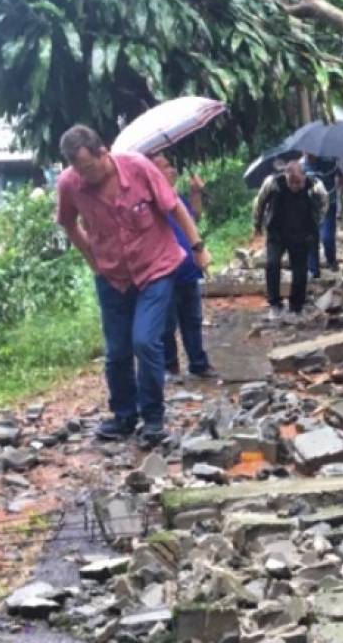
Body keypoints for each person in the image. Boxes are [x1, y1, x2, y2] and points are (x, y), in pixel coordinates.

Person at [55, 125, 211, 445]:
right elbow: (68, 223)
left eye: (88, 167)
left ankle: (153, 418)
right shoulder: (70, 184)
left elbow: (174, 207)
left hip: (155, 267)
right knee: (117, 352)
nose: (84, 176)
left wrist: (198, 248)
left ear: (103, 152)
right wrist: (92, 259)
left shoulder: (138, 168)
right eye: (77, 169)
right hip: (112, 275)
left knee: (144, 340)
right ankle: (124, 416)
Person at [148, 152, 217, 380]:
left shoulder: (176, 199)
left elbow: (193, 216)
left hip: (187, 272)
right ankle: (170, 366)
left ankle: (198, 363)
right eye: (165, 167)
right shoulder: (150, 202)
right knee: (167, 325)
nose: (172, 171)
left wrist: (195, 192)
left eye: (170, 165)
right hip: (165, 274)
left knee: (193, 320)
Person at [252, 160, 327, 321]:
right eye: (291, 182)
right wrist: (257, 224)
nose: (294, 186)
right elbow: (259, 203)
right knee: (272, 264)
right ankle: (275, 304)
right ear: (285, 176)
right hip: (277, 231)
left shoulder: (314, 187)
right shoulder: (273, 183)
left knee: (300, 270)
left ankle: (296, 306)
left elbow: (324, 205)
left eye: (298, 182)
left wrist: (316, 225)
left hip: (302, 232)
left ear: (304, 176)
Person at [303, 153, 343, 278]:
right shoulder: (301, 166)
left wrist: (341, 183)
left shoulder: (329, 162)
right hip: (310, 207)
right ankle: (313, 270)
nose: (308, 155)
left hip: (328, 205)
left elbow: (342, 177)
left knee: (327, 238)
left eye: (311, 153)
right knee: (311, 238)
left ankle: (331, 260)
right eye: (306, 153)